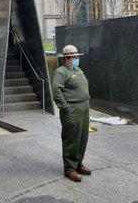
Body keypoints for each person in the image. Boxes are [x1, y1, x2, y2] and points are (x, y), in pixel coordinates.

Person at [53, 44, 92, 182]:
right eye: (76, 57)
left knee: (82, 138)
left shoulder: (78, 69)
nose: (77, 58)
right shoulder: (61, 72)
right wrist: (66, 107)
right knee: (72, 139)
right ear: (68, 58)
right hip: (72, 109)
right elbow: (56, 91)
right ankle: (70, 169)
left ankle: (78, 164)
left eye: (77, 56)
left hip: (84, 108)